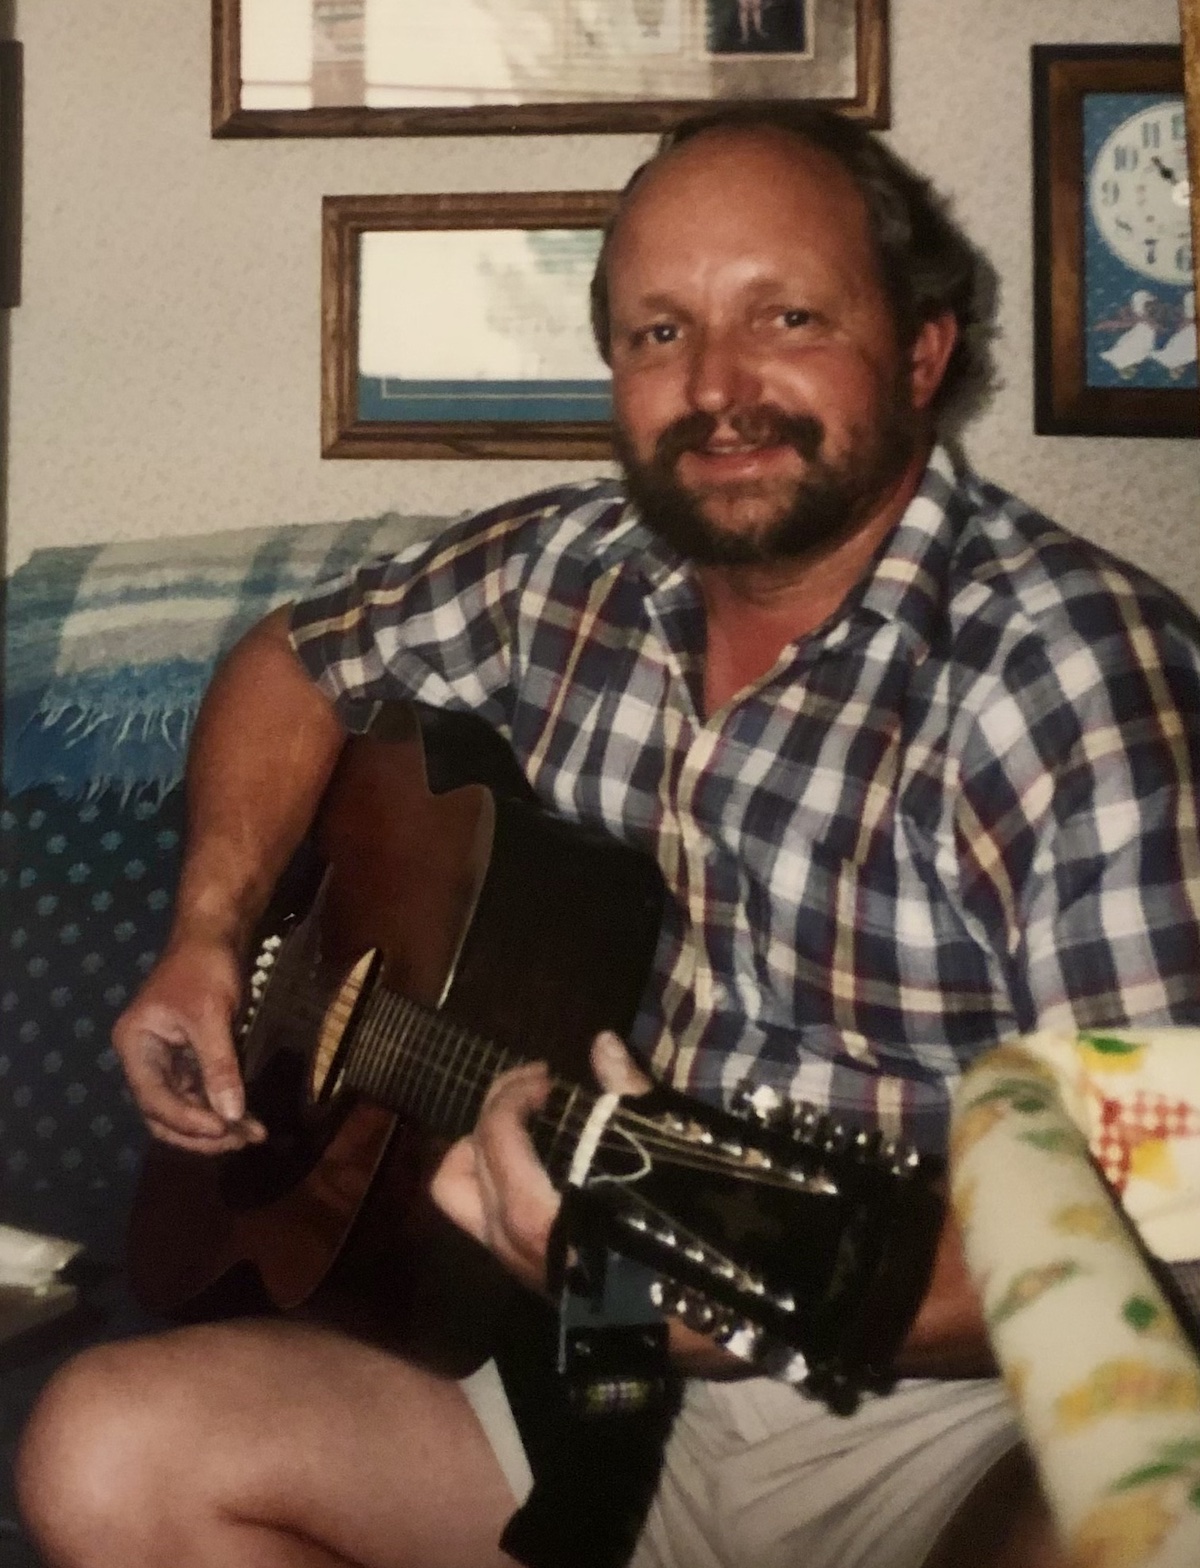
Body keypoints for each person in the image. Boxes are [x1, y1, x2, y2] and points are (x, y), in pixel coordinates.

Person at [16, 102, 1200, 1568]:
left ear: (920, 350)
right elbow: (295, 660)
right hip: (590, 1361)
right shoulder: (572, 567)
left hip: (941, 1416)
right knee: (104, 1450)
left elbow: (1164, 1212)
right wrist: (208, 935)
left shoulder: (1074, 673)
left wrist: (759, 1292)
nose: (717, 387)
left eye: (788, 316)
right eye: (658, 333)